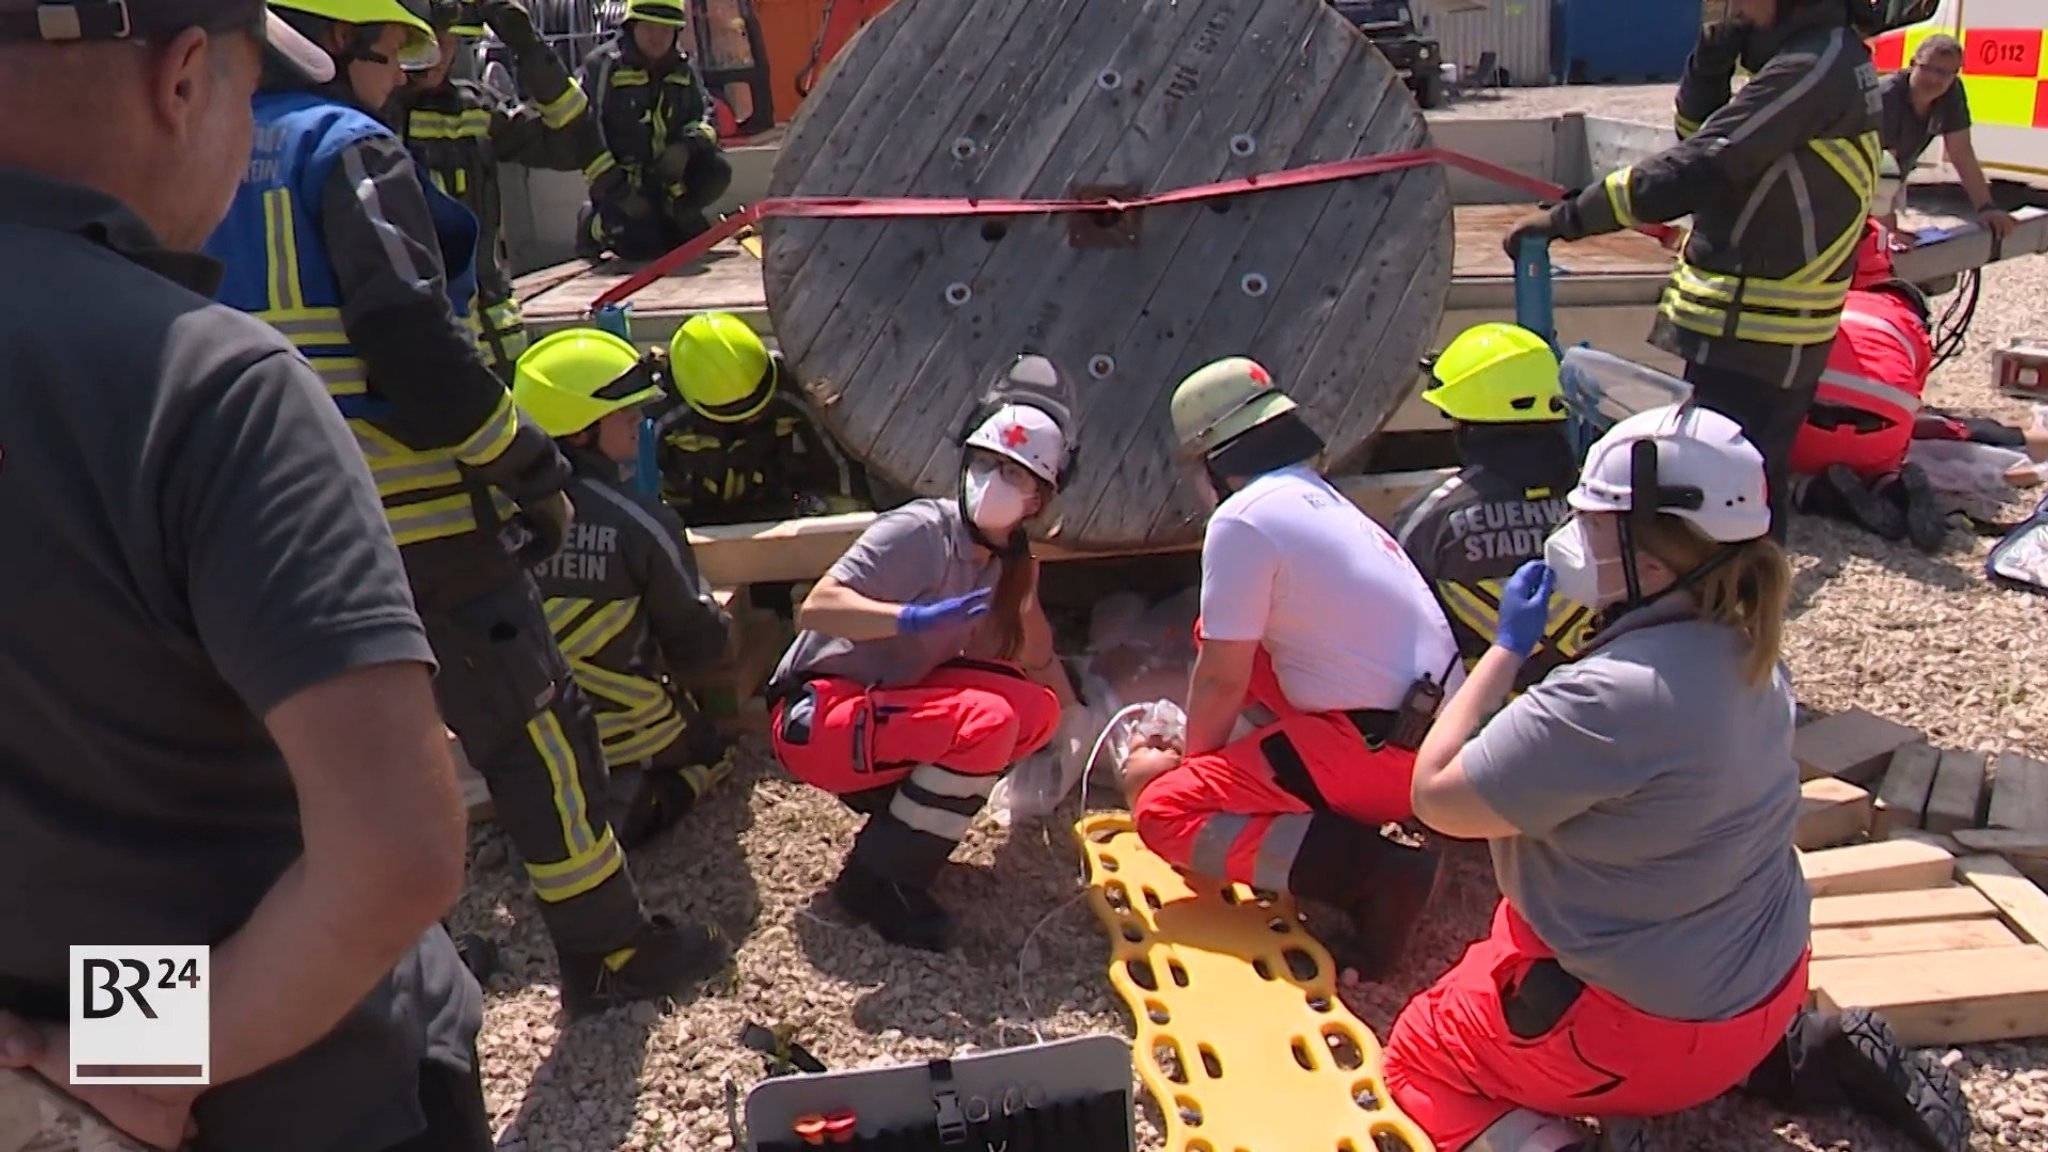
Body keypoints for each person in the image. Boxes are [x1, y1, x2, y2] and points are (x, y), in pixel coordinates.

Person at [0, 1, 491, 1147]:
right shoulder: (201, 381)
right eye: (248, 94)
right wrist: (124, 1053)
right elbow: (389, 854)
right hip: (283, 1108)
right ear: (181, 81)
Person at [201, 0, 726, 1016]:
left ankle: (410, 974)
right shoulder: (344, 147)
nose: (401, 70)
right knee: (531, 728)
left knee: (347, 767)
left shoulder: (189, 164)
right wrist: (523, 464)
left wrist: (131, 1062)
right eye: (389, 47)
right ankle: (606, 952)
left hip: (259, 533)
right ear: (333, 47)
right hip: (412, 510)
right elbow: (404, 328)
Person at [1383, 404, 1964, 1152]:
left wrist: (1502, 653)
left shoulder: (1609, 696)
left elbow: (1434, 798)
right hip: (1764, 986)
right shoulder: (1751, 646)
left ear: (1652, 561)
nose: (1573, 537)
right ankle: (1798, 1056)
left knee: (1422, 1061)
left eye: (1592, 523)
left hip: (1640, 1034)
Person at [1114, 357, 1460, 982]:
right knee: (1217, 636)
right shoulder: (1318, 499)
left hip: (1378, 749)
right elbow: (1233, 662)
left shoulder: (1242, 518)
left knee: (1166, 811)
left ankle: (1379, 878)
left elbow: (1220, 679)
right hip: (1426, 736)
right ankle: (1308, 814)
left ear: (1213, 460)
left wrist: (1190, 772)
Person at [1506, 0, 1888, 544]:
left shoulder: (1810, 67)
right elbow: (1705, 137)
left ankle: (1730, 615)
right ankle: (1743, 612)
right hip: (1761, 326)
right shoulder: (1820, 55)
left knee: (1725, 496)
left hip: (1756, 331)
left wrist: (1569, 217)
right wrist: (1709, 66)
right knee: (1749, 484)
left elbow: (1703, 164)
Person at [763, 357, 1079, 952]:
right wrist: (907, 618)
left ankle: (907, 824)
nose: (994, 483)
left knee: (1033, 712)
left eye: (1015, 475)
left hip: (883, 707)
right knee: (988, 722)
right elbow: (817, 607)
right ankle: (880, 882)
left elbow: (1033, 656)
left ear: (1039, 500)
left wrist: (1072, 718)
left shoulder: (1005, 563)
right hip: (818, 713)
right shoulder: (918, 530)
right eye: (986, 464)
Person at [513, 327, 741, 851]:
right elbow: (698, 644)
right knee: (712, 750)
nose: (639, 422)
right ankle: (672, 784)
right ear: (578, 433)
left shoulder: (489, 518)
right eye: (625, 413)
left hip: (530, 741)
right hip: (633, 732)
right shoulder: (639, 521)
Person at [392, 0, 617, 380]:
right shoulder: (371, 115)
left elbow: (570, 137)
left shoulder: (473, 108)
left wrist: (527, 46)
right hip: (426, 343)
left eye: (449, 41)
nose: (438, 54)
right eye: (428, 39)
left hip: (498, 340)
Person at [1393, 323, 1593, 688]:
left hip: (1476, 724)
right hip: (1599, 713)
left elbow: (1394, 628)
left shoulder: (1430, 517)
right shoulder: (1599, 501)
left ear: (1462, 420)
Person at [1789, 216, 1949, 553]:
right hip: (1883, 418)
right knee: (1884, 454)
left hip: (1812, 420)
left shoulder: (1823, 304)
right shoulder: (1906, 319)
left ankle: (1817, 493)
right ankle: (1892, 484)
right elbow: (1913, 392)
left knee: (1786, 471)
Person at [655, 310, 870, 526]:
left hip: (777, 511)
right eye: (734, 413)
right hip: (687, 524)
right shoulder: (658, 414)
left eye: (760, 404)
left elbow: (838, 460)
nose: (754, 415)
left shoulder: (790, 389)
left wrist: (852, 512)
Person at [574, 0, 733, 260]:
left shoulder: (684, 67)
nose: (657, 37)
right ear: (632, 26)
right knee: (643, 249)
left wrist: (686, 147)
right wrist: (619, 191)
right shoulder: (603, 66)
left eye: (665, 30)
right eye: (650, 28)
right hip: (621, 183)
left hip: (668, 182)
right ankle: (593, 223)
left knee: (717, 170)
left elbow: (709, 117)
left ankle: (674, 216)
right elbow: (584, 135)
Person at [1878, 33, 2018, 244]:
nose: (1935, 79)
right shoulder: (1887, 98)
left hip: (1886, 178)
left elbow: (1961, 152)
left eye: (1944, 73)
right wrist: (1886, 230)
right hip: (1855, 180)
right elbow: (1880, 170)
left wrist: (1986, 208)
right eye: (1929, 69)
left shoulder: (1951, 93)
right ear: (1913, 63)